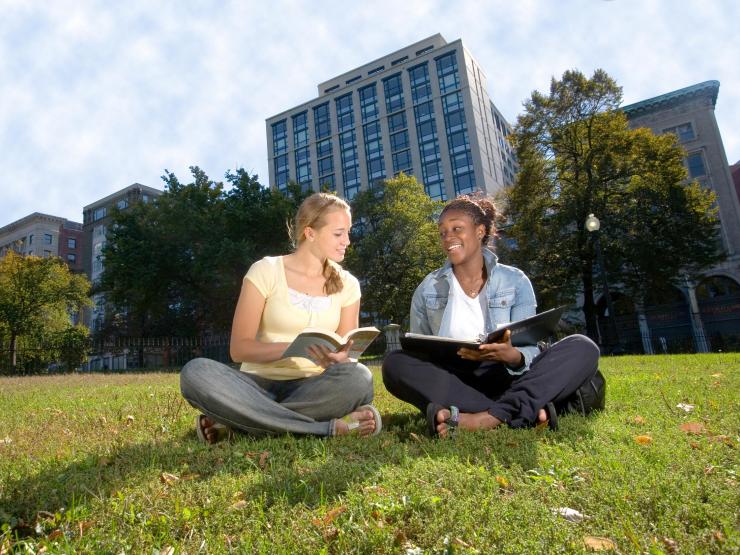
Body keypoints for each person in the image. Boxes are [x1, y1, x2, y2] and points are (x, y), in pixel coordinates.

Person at [382, 194, 603, 437]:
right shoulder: (428, 287)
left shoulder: (515, 280)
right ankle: (522, 411)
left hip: (509, 374)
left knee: (583, 346)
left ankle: (487, 417)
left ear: (479, 231)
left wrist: (513, 356)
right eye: (442, 232)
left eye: (457, 228)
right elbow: (419, 349)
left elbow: (529, 347)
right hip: (456, 380)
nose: (448, 238)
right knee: (395, 364)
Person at [180, 192, 381, 442]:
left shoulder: (348, 284)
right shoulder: (265, 270)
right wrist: (294, 349)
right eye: (339, 234)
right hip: (255, 386)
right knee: (195, 372)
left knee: (359, 378)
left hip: (314, 388)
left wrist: (341, 359)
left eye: (348, 232)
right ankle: (323, 429)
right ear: (310, 233)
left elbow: (347, 351)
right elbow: (239, 349)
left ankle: (240, 425)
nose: (347, 241)